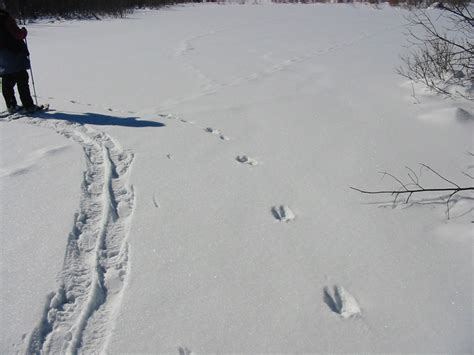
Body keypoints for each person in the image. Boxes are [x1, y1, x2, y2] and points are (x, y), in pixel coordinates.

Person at [0, 1, 40, 113]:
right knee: (21, 78)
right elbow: (17, 34)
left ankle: (11, 105)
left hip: (2, 55)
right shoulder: (6, 18)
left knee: (7, 79)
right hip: (14, 52)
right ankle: (29, 106)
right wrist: (23, 32)